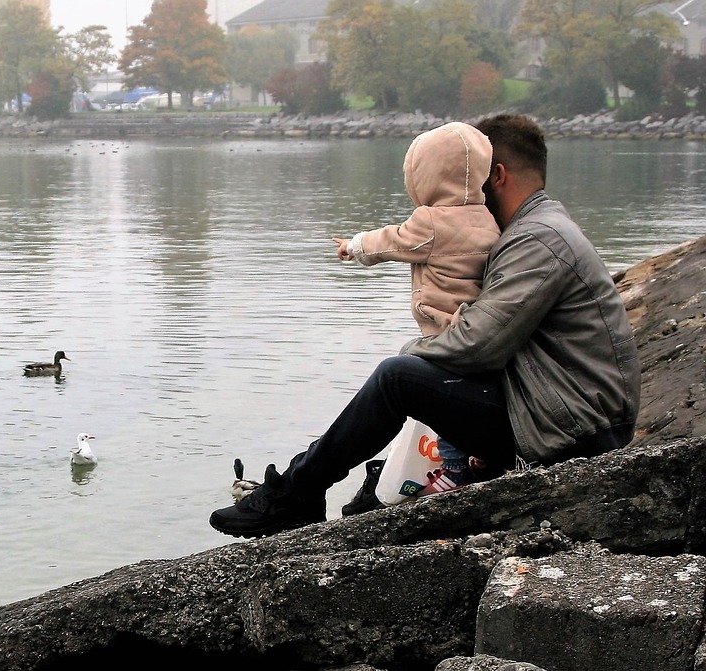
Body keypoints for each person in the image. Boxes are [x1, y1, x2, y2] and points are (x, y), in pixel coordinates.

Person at [210, 113, 642, 538]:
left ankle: (296, 493)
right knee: (417, 378)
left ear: (496, 176)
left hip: (577, 433)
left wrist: (411, 355)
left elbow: (478, 346)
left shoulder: (538, 239)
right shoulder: (534, 230)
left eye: (471, 184)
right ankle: (336, 487)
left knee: (398, 377)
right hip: (567, 416)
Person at [332, 121, 502, 499]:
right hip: (477, 328)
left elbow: (393, 241)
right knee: (460, 398)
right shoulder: (489, 218)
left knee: (434, 399)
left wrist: (354, 245)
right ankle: (477, 456)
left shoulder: (431, 221)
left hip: (444, 330)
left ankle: (454, 472)